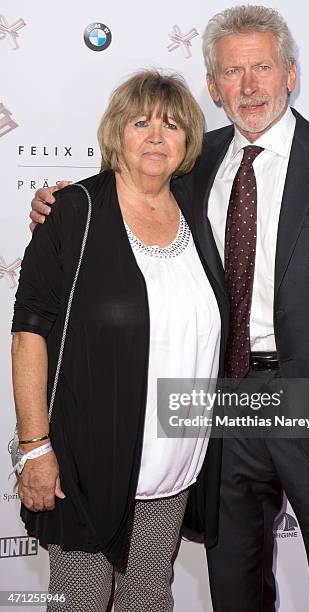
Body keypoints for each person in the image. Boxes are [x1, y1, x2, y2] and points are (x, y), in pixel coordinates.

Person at [30, 5, 309, 612]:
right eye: (232, 72)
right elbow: (123, 195)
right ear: (212, 86)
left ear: (291, 73)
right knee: (233, 586)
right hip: (220, 399)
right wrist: (55, 206)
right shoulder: (193, 161)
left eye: (261, 67)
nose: (249, 86)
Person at [12, 70, 228, 612]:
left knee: (148, 597)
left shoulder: (196, 214)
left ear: (188, 143)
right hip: (88, 459)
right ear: (116, 132)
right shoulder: (74, 212)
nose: (157, 136)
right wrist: (35, 450)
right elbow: (29, 336)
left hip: (174, 465)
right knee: (80, 602)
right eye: (142, 123)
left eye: (172, 125)